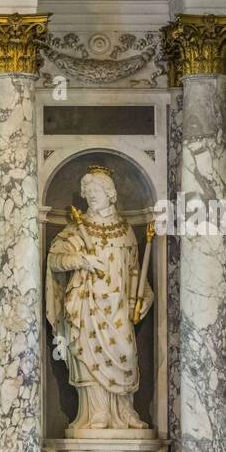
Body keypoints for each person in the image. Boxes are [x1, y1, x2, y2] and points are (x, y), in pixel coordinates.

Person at [45, 168, 153, 432]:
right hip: (87, 306)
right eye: (88, 192)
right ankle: (97, 412)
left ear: (110, 194)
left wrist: (142, 297)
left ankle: (125, 411)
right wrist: (82, 260)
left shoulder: (126, 231)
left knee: (125, 353)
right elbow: (55, 261)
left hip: (117, 309)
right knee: (88, 355)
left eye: (96, 192)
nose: (91, 197)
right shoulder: (76, 230)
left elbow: (135, 272)